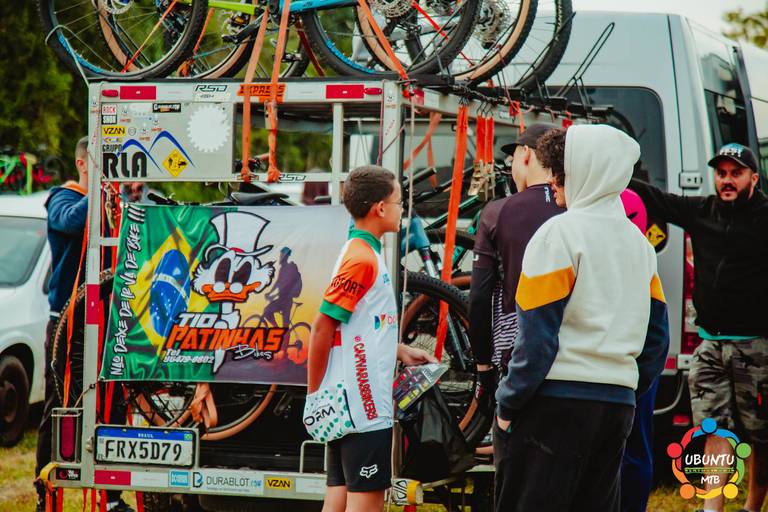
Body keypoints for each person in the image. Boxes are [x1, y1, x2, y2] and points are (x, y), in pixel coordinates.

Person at [493, 125, 669, 511]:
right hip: (617, 405)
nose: (554, 183)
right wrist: (624, 385)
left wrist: (507, 405)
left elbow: (536, 341)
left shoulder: (558, 235)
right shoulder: (640, 246)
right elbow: (657, 340)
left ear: (585, 173)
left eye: (562, 173)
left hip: (554, 404)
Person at [629, 143, 768, 512]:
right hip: (709, 347)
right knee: (714, 430)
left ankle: (752, 506)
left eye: (736, 173)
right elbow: (657, 199)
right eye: (721, 173)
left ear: (754, 178)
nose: (727, 180)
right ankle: (712, 507)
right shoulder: (702, 211)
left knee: (761, 435)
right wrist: (615, 166)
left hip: (756, 346)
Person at [305, 165, 436, 512]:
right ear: (379, 208)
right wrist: (314, 396)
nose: (402, 209)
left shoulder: (361, 249)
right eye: (399, 201)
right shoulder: (362, 258)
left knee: (337, 498)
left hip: (352, 403)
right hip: (363, 407)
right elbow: (322, 327)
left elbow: (358, 325)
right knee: (366, 504)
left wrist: (398, 350)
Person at [34, 137, 133, 512]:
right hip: (66, 324)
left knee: (113, 405)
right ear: (81, 164)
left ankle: (111, 499)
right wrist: (103, 185)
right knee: (58, 407)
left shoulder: (110, 204)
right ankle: (46, 494)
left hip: (107, 321)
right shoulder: (62, 199)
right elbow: (73, 222)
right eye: (102, 162)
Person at [469, 123, 563, 414]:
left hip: (518, 357)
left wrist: (483, 367)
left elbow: (479, 297)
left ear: (525, 154)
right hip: (575, 356)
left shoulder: (497, 212)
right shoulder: (575, 207)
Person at [263, 247, 303, 327]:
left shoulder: (289, 268)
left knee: (267, 312)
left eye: (282, 255)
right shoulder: (283, 269)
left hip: (286, 300)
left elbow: (283, 284)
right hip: (283, 299)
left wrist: (272, 294)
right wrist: (270, 293)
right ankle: (277, 329)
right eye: (280, 255)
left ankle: (277, 329)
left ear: (286, 256)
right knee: (268, 313)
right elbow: (278, 283)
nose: (280, 257)